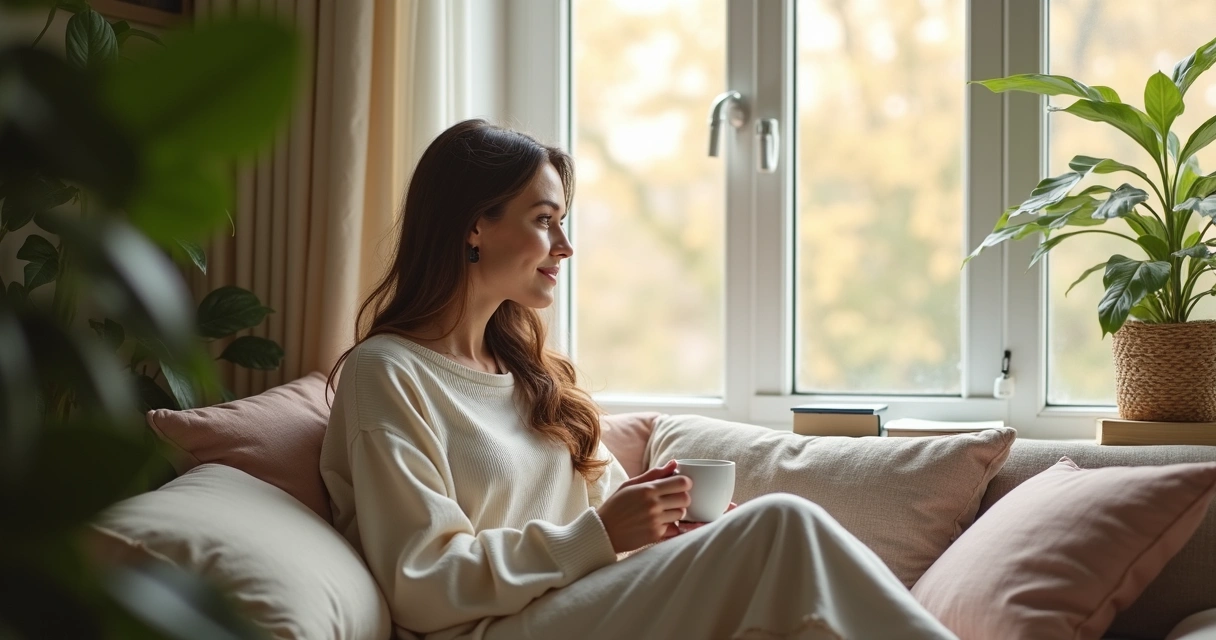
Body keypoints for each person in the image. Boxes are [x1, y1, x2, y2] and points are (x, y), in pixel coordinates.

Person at [320, 119, 957, 640]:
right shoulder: (390, 373)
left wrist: (667, 529)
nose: (564, 246)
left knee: (778, 573)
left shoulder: (528, 375)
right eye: (544, 220)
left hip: (584, 605)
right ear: (474, 225)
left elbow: (608, 522)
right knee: (780, 525)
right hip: (496, 629)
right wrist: (599, 535)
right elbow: (421, 582)